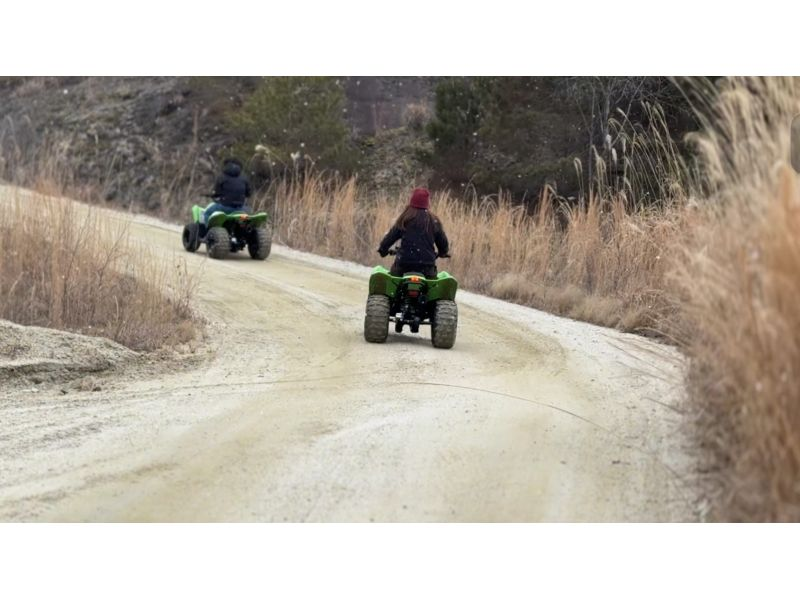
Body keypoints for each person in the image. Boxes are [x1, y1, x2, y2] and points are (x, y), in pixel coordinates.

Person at [378, 188, 449, 279]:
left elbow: (390, 237)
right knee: (431, 287)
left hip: (403, 267)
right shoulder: (433, 221)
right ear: (427, 203)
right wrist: (443, 252)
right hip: (427, 269)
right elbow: (443, 244)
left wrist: (383, 250)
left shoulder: (405, 219)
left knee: (395, 285)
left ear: (411, 201)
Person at [201, 158, 252, 235]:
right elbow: (249, 194)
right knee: (248, 215)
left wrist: (212, 194)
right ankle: (245, 233)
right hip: (240, 209)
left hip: (224, 208)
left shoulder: (222, 177)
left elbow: (216, 192)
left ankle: (208, 234)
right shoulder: (244, 178)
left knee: (207, 213)